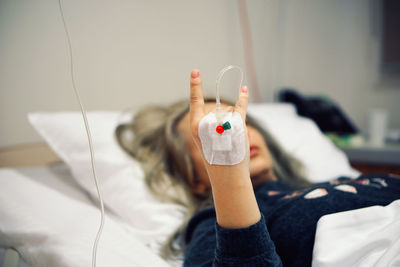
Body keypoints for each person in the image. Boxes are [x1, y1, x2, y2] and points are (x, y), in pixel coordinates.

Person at [115, 70, 400, 266]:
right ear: (194, 180)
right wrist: (228, 173)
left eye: (239, 123)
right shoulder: (217, 222)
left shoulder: (336, 180)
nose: (233, 132)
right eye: (210, 133)